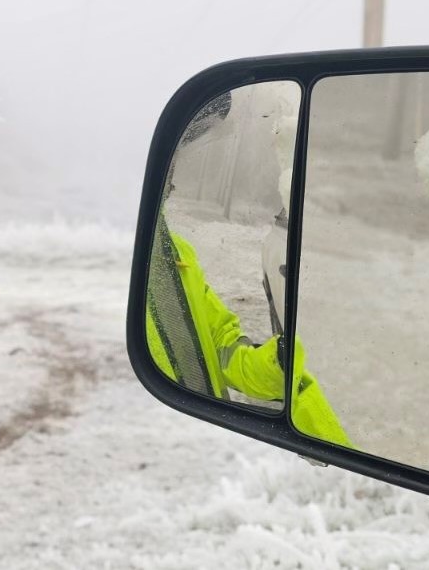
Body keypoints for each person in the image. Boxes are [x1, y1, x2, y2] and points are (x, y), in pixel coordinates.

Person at [145, 93, 352, 447]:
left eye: (178, 160)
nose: (174, 179)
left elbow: (225, 349)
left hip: (201, 444)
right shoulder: (137, 265)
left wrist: (276, 364)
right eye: (173, 161)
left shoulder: (176, 254)